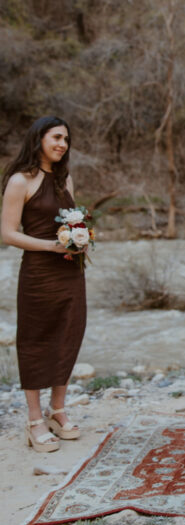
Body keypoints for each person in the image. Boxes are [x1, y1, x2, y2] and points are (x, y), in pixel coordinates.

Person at [0, 116, 86, 452]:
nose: (62, 144)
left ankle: (58, 409)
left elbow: (74, 220)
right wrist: (51, 245)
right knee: (36, 340)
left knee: (69, 334)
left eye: (66, 139)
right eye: (56, 137)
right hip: (38, 273)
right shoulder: (21, 180)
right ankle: (35, 419)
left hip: (70, 271)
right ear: (39, 139)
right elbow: (7, 233)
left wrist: (82, 238)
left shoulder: (66, 179)